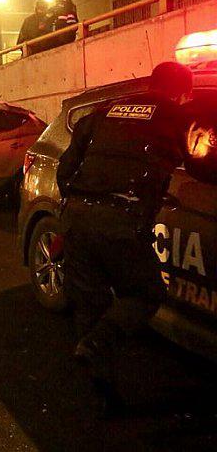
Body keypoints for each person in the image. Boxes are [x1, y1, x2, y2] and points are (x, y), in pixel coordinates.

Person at [56, 61, 193, 416]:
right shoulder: (174, 116)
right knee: (147, 294)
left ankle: (101, 392)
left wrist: (74, 204)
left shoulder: (105, 112)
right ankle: (99, 343)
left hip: (78, 215)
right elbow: (197, 162)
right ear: (180, 91)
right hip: (119, 219)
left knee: (90, 304)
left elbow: (66, 166)